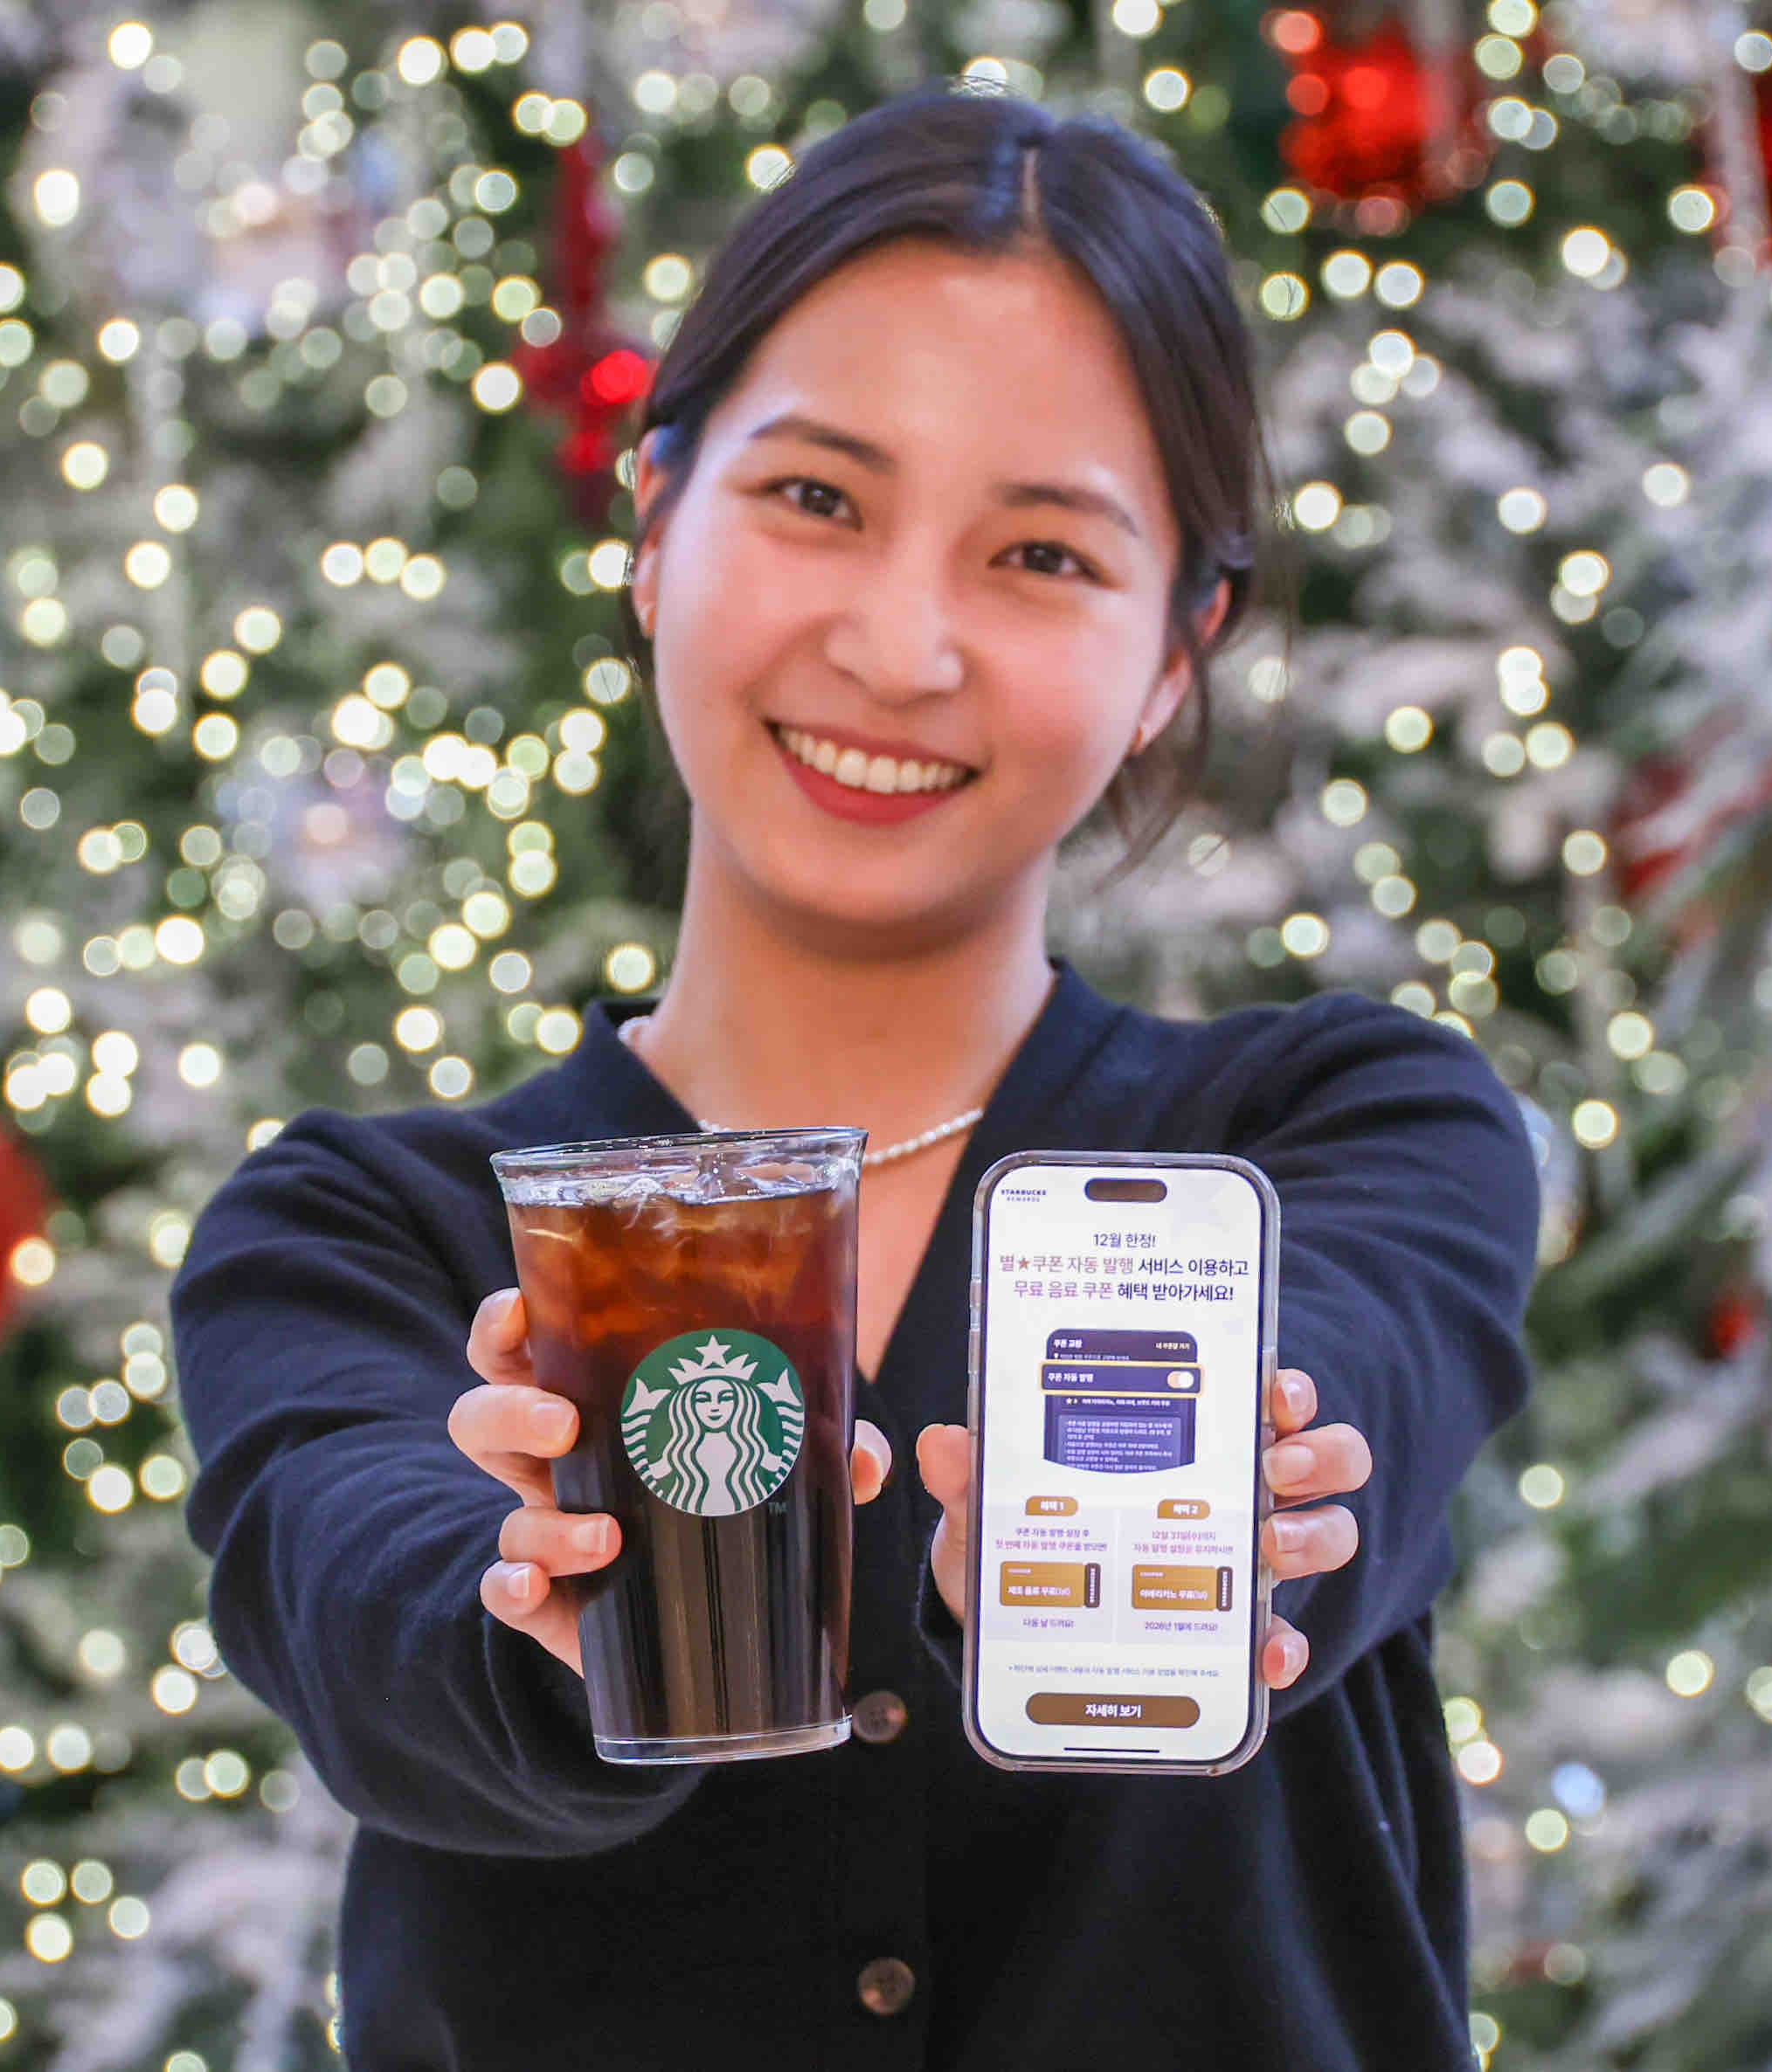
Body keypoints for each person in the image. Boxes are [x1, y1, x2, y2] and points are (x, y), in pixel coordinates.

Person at [170, 80, 1542, 2071]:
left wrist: (1233, 1502)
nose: (901, 648)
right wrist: (533, 1607)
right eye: (817, 500)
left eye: (1042, 554)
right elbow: (363, 1586)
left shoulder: (1342, 1139)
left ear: (1177, 652)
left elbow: (1345, 1390)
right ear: (656, 523)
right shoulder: (362, 1231)